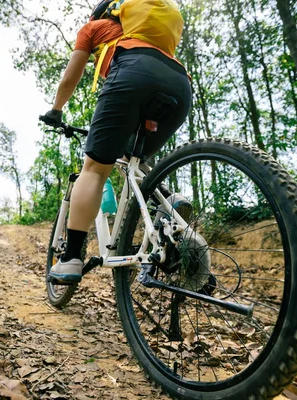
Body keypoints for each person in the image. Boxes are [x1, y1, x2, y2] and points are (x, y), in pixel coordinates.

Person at [41, 0, 192, 284]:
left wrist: (56, 109)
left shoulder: (94, 28)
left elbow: (71, 75)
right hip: (180, 84)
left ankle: (71, 257)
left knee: (96, 168)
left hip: (133, 70)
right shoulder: (147, 31)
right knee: (134, 160)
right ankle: (170, 202)